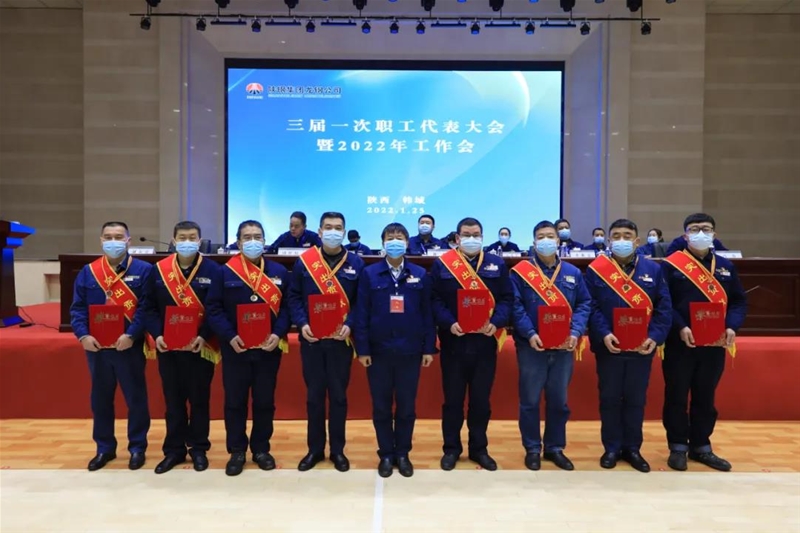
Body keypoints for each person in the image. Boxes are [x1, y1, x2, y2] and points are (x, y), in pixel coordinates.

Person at [585, 219, 672, 473]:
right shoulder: (596, 269)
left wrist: (654, 337)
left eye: (627, 236)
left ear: (636, 241)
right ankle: (611, 448)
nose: (621, 240)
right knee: (610, 398)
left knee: (635, 399)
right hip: (609, 347)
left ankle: (633, 448)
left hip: (641, 347)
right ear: (608, 240)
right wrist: (603, 333)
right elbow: (591, 306)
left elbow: (663, 307)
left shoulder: (653, 269)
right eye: (616, 236)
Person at [206, 220, 292, 476]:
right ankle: (237, 451)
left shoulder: (279, 271)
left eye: (257, 236)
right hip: (236, 348)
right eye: (247, 237)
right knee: (235, 402)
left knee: (265, 402)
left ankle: (261, 449)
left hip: (268, 348)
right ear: (238, 242)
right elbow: (213, 308)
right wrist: (230, 336)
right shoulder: (224, 272)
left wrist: (277, 334)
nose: (253, 241)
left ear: (264, 241)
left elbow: (287, 308)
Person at [661, 213, 746, 472]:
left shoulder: (725, 266)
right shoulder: (671, 265)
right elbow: (663, 302)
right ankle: (677, 446)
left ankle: (701, 446)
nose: (700, 233)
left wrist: (731, 326)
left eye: (706, 229)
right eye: (695, 229)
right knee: (676, 395)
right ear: (685, 235)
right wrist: (681, 326)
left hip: (714, 343)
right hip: (680, 342)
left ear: (714, 235)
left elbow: (738, 301)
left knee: (705, 396)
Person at [353, 223, 436, 478]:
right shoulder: (369, 274)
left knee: (406, 407)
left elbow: (427, 314)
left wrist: (429, 348)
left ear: (408, 243)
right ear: (383, 243)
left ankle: (403, 453)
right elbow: (361, 313)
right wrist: (362, 349)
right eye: (390, 237)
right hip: (378, 352)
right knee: (381, 407)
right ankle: (386, 454)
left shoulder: (420, 274)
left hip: (410, 351)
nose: (395, 241)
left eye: (400, 237)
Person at [431, 217, 513, 472]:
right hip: (453, 342)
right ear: (457, 238)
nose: (471, 239)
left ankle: (479, 449)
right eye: (466, 234)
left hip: (485, 342)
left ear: (482, 237)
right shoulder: (443, 264)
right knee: (453, 401)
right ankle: (451, 449)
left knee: (480, 401)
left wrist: (496, 322)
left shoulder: (496, 263)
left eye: (476, 234)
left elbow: (507, 299)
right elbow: (434, 300)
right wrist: (448, 323)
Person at [69, 221, 152, 471]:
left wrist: (132, 335)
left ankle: (137, 447)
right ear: (101, 240)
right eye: (108, 237)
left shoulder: (144, 270)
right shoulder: (89, 272)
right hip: (97, 348)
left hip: (129, 346)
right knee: (101, 399)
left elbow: (147, 308)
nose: (113, 241)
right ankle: (104, 448)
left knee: (135, 398)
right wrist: (83, 336)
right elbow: (77, 309)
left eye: (118, 237)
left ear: (128, 241)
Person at [510, 220, 591, 471]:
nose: (546, 240)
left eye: (550, 236)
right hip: (531, 346)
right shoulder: (520, 272)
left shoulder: (573, 272)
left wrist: (576, 331)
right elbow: (515, 306)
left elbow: (584, 304)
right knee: (530, 401)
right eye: (541, 237)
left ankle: (555, 448)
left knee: (558, 401)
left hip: (564, 346)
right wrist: (530, 333)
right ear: (534, 242)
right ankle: (532, 448)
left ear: (558, 241)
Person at [288, 211, 365, 472]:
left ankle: (338, 451)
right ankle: (315, 449)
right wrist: (302, 323)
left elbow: (361, 302)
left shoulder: (356, 263)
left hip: (341, 342)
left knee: (339, 397)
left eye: (338, 227)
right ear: (320, 232)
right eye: (328, 227)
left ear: (344, 232)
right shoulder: (305, 262)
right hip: (312, 340)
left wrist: (350, 324)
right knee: (314, 397)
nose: (333, 231)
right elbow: (294, 297)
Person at [143, 221, 222, 474]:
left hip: (200, 347)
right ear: (174, 240)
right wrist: (157, 335)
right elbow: (148, 308)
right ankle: (174, 450)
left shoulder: (214, 270)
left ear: (200, 241)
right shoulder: (158, 271)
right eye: (182, 237)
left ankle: (199, 448)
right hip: (169, 347)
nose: (187, 242)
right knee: (173, 401)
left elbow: (217, 309)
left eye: (192, 237)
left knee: (199, 400)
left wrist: (204, 335)